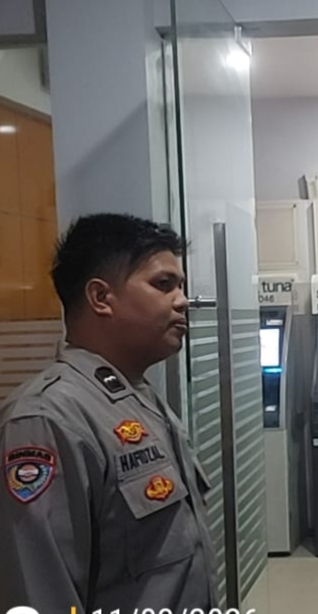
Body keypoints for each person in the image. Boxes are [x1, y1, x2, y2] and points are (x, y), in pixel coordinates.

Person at [0, 214, 216, 612]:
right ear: (101, 297)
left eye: (181, 286)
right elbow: (42, 593)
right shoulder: (47, 419)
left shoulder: (139, 399)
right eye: (163, 284)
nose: (182, 301)